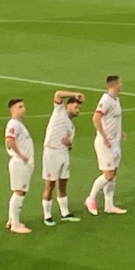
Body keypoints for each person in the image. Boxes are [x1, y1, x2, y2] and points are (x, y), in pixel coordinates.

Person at [85, 76, 127, 216]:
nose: (122, 84)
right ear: (114, 84)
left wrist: (120, 132)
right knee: (108, 174)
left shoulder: (116, 100)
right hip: (105, 143)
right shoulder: (105, 100)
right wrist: (103, 136)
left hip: (115, 143)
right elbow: (96, 118)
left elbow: (113, 119)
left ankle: (109, 205)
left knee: (113, 173)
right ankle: (90, 198)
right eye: (120, 82)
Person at [41, 90, 84, 225]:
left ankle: (65, 213)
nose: (78, 111)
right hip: (51, 152)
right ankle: (47, 216)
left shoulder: (72, 126)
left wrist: (69, 143)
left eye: (79, 109)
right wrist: (75, 93)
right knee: (50, 185)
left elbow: (70, 145)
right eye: (76, 107)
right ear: (68, 106)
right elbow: (58, 94)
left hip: (64, 154)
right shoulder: (59, 111)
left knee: (63, 184)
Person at [5, 98, 34, 234]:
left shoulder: (18, 124)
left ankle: (12, 219)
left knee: (19, 192)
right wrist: (21, 155)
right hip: (19, 163)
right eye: (20, 107)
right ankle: (15, 225)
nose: (23, 109)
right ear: (13, 109)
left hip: (22, 163)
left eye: (23, 106)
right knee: (19, 192)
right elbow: (9, 140)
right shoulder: (14, 124)